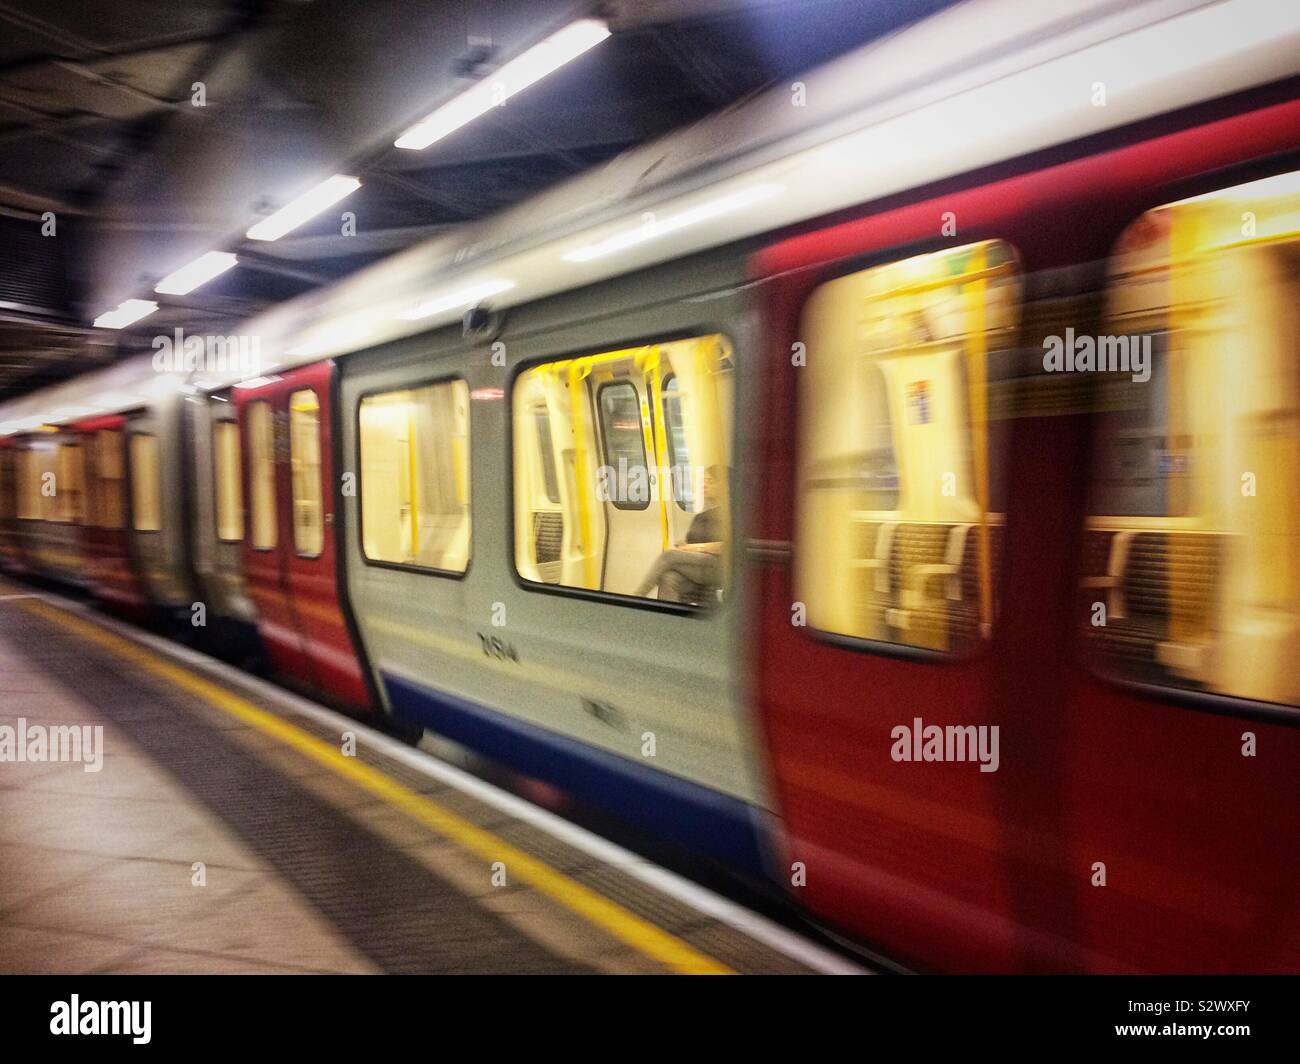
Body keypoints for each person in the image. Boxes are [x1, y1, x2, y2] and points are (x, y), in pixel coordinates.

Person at [634, 465, 728, 604]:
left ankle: (636, 598)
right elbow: (692, 542)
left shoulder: (728, 514)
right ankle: (668, 622)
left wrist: (691, 549)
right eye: (704, 480)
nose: (704, 484)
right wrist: (684, 545)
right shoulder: (701, 516)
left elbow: (725, 546)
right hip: (698, 567)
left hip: (716, 566)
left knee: (669, 556)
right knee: (669, 578)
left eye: (710, 481)